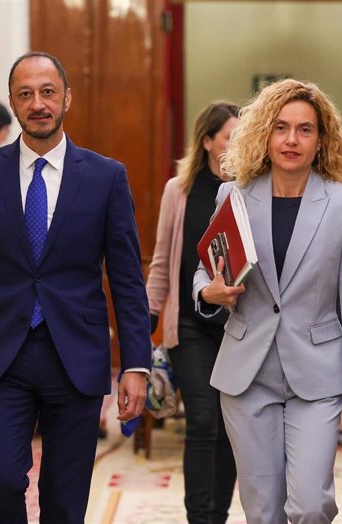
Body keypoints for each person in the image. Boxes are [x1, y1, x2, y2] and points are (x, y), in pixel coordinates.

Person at [0, 51, 151, 524]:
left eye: (48, 92)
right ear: (12, 102)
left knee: (64, 499)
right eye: (26, 94)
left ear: (67, 98)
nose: (38, 104)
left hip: (76, 355)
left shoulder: (106, 177)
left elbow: (128, 281)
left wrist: (136, 363)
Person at [193, 79, 342, 524]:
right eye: (280, 128)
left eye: (304, 129)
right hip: (246, 372)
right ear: (265, 135)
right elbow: (207, 268)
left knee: (311, 505)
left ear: (321, 141)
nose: (291, 139)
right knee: (262, 511)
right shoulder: (232, 195)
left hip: (316, 377)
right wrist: (208, 292)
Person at [147, 101, 239, 523]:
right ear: (207, 141)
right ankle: (200, 517)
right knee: (203, 420)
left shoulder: (249, 189)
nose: (237, 145)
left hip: (239, 328)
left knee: (229, 428)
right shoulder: (178, 191)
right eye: (228, 137)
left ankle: (216, 514)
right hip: (189, 325)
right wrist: (147, 319)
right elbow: (164, 261)